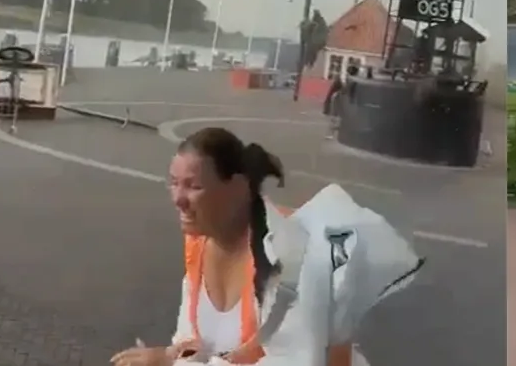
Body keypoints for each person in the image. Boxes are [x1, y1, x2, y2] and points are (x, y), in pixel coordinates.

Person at [110, 127, 356, 366]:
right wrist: (175, 355)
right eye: (174, 183)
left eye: (194, 186)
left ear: (239, 188)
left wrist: (171, 363)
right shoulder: (199, 241)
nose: (178, 199)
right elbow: (195, 341)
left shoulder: (288, 255)